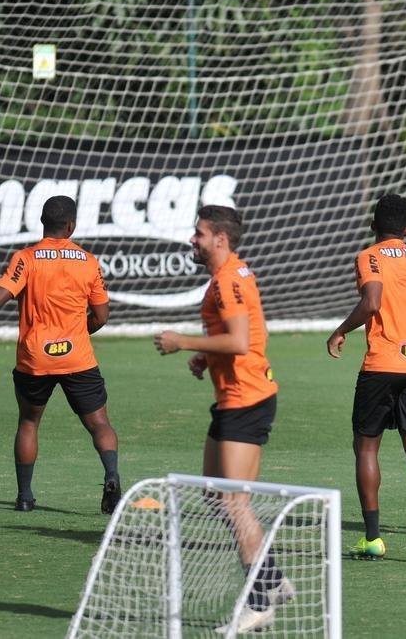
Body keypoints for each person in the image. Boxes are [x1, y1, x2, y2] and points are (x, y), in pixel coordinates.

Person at [153, 205, 291, 633]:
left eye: (199, 233)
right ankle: (271, 577)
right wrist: (206, 354)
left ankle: (259, 603)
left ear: (220, 239)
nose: (192, 240)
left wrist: (181, 342)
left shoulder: (229, 279)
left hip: (245, 399)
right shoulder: (231, 274)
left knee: (235, 502)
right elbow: (245, 335)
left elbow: (241, 339)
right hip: (237, 396)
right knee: (217, 495)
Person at [0, 195, 120, 514]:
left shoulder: (27, 258)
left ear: (42, 223)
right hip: (78, 358)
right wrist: (77, 333)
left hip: (35, 359)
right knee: (100, 423)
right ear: (71, 226)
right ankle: (112, 477)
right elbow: (101, 315)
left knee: (29, 422)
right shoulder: (88, 260)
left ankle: (25, 497)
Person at [326, 193, 406, 564]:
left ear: (372, 225)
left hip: (381, 366)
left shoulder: (369, 257)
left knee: (366, 448)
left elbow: (372, 302)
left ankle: (373, 538)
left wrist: (340, 330)